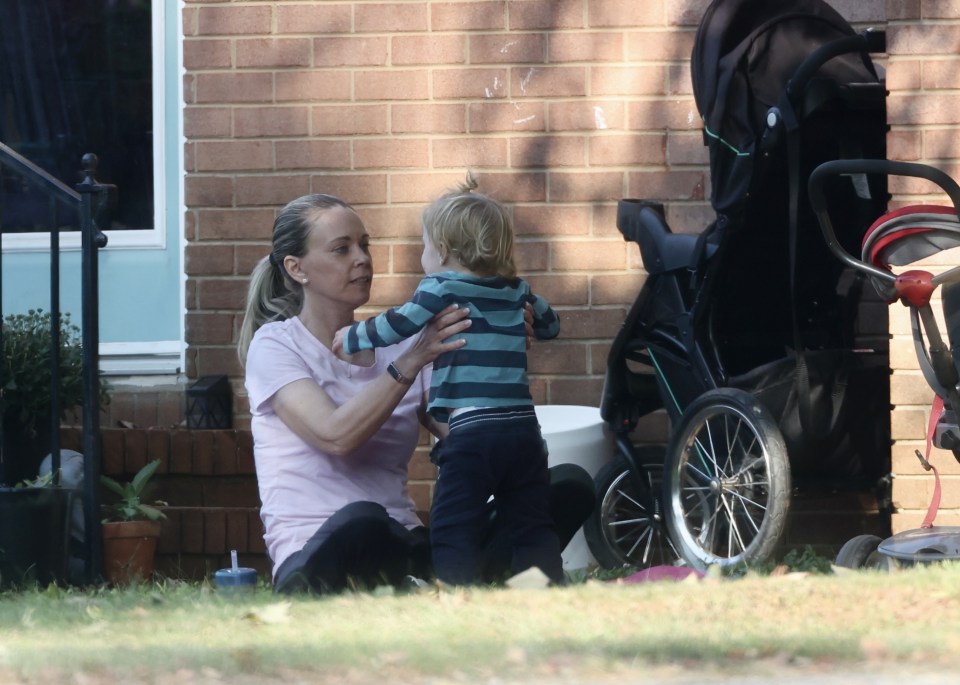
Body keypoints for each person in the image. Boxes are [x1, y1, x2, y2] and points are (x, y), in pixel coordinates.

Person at [238, 192, 594, 595]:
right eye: (342, 249)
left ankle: (483, 579)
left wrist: (494, 347)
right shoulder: (276, 345)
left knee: (566, 487)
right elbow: (335, 436)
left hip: (404, 542)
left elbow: (457, 433)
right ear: (296, 268)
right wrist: (410, 362)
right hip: (320, 544)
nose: (362, 259)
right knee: (362, 522)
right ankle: (445, 578)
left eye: (364, 245)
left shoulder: (400, 340)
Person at [333, 176, 564, 586]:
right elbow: (551, 324)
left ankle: (458, 590)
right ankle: (545, 587)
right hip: (523, 428)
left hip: (471, 431)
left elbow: (398, 324)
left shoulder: (439, 287)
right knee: (531, 518)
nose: (423, 254)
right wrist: (528, 318)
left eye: (423, 245)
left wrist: (350, 338)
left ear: (442, 250)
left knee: (455, 518)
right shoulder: (516, 289)